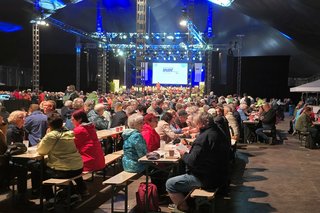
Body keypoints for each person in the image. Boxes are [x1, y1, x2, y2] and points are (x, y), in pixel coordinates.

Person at [166, 112, 230, 212]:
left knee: (170, 184)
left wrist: (184, 154)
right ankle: (188, 202)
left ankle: (184, 208)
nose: (196, 126)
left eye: (197, 124)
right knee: (180, 171)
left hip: (208, 179)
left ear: (202, 124)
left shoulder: (204, 137)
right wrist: (192, 150)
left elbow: (192, 162)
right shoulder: (218, 131)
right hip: (220, 175)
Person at [37, 112, 86, 201]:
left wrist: (47, 135)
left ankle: (50, 199)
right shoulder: (70, 132)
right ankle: (74, 192)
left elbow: (41, 151)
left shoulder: (52, 135)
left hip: (64, 171)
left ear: (49, 124)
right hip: (79, 168)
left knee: (40, 171)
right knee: (65, 166)